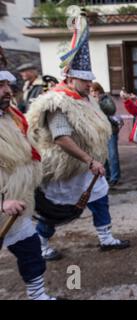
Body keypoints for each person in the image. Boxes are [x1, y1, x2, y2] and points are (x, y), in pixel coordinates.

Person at [26, 15, 130, 261]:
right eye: (84, 80)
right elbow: (62, 138)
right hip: (66, 169)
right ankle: (40, 244)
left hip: (86, 167)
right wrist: (88, 160)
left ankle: (106, 238)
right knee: (55, 211)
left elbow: (92, 124)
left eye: (89, 80)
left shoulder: (84, 98)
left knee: (100, 199)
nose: (89, 84)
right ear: (71, 78)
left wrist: (110, 124)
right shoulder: (58, 102)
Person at [0, 63, 55, 300]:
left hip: (15, 204)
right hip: (4, 205)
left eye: (6, 84)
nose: (7, 90)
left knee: (31, 250)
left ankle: (38, 296)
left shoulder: (11, 116)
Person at [91, 82, 122, 187]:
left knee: (112, 154)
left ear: (100, 91)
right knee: (103, 155)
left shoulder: (106, 99)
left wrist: (99, 102)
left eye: (95, 91)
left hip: (110, 131)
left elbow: (111, 110)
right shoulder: (88, 101)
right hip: (98, 131)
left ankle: (115, 177)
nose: (93, 93)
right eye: (91, 91)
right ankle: (106, 175)